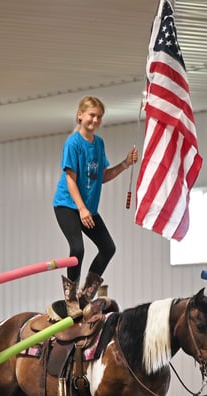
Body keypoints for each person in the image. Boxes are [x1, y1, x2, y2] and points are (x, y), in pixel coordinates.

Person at [51, 96, 138, 319]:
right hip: (68, 205)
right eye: (91, 115)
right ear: (80, 115)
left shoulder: (98, 144)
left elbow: (101, 176)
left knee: (108, 247)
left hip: (87, 209)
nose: (95, 120)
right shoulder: (73, 143)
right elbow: (70, 179)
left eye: (99, 117)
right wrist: (81, 209)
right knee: (77, 249)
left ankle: (85, 295)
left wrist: (125, 164)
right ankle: (71, 300)